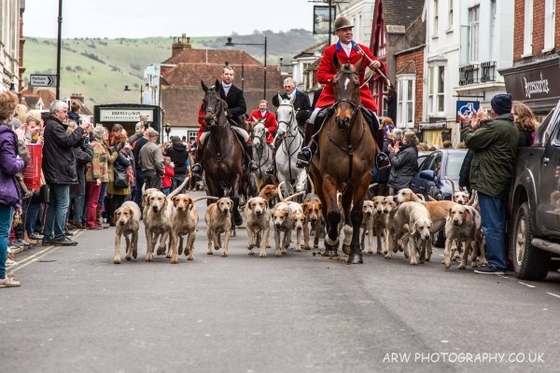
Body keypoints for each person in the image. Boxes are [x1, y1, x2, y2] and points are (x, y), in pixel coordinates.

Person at [296, 16, 387, 168]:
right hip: (333, 93)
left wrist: (377, 63)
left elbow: (376, 64)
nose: (349, 32)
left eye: (350, 30)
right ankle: (308, 149)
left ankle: (379, 154)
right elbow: (321, 75)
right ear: (337, 33)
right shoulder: (330, 51)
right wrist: (337, 79)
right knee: (313, 116)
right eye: (345, 30)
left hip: (358, 94)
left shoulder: (362, 50)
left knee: (375, 119)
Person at [460, 93, 519, 275]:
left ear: (493, 109)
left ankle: (496, 264)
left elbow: (472, 141)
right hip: (498, 179)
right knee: (497, 223)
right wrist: (483, 124)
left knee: (492, 224)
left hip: (490, 181)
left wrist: (467, 126)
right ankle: (498, 261)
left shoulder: (496, 126)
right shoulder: (508, 127)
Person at [191, 65, 257, 175]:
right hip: (215, 122)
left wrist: (228, 113)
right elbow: (207, 105)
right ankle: (198, 164)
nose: (228, 76)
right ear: (222, 75)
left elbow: (242, 108)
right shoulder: (213, 91)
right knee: (202, 139)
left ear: (233, 77)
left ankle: (251, 162)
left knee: (246, 137)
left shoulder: (237, 91)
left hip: (233, 121)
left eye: (231, 75)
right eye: (226, 74)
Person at [42, 100, 90, 246]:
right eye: (64, 111)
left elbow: (68, 143)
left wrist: (79, 137)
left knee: (55, 204)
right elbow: (68, 141)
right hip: (59, 170)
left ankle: (49, 235)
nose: (66, 114)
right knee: (63, 203)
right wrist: (80, 129)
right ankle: (59, 235)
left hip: (57, 169)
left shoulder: (53, 126)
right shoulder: (54, 126)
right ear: (56, 112)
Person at [0, 91, 26, 287]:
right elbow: (9, 165)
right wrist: (20, 161)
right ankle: (1, 275)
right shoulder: (6, 135)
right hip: (2, 189)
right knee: (1, 232)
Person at [84, 126, 109, 230]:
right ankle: (91, 222)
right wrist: (97, 177)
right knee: (93, 201)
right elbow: (95, 162)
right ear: (101, 135)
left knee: (98, 200)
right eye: (105, 134)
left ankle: (95, 221)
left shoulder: (100, 145)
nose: (107, 136)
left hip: (101, 177)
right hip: (96, 178)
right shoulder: (96, 146)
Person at [387, 129, 418, 195]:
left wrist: (392, 153)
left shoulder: (408, 151)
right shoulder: (410, 149)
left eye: (403, 137)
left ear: (406, 140)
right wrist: (396, 152)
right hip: (401, 182)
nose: (401, 138)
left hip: (400, 184)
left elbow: (397, 163)